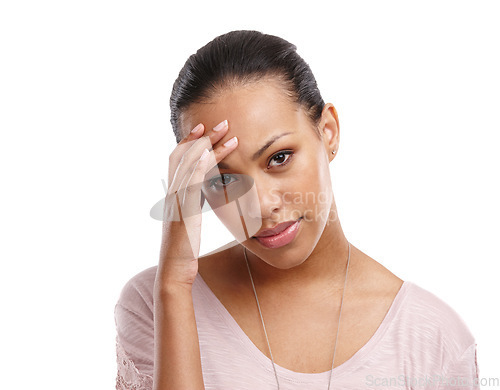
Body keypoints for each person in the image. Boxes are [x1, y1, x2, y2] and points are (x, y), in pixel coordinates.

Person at [114, 30, 480, 390]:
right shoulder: (154, 305)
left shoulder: (433, 340)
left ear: (329, 132)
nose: (259, 206)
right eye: (224, 181)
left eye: (279, 158)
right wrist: (175, 287)